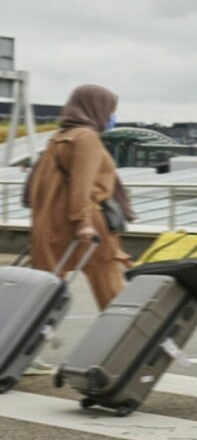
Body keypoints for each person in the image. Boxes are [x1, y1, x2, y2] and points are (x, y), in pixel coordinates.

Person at [24, 84, 135, 318]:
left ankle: (23, 334)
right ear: (95, 108)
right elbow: (82, 185)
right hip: (87, 226)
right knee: (111, 291)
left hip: (52, 223)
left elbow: (38, 186)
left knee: (44, 294)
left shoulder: (58, 139)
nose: (111, 116)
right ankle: (125, 333)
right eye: (110, 110)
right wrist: (83, 221)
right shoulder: (86, 138)